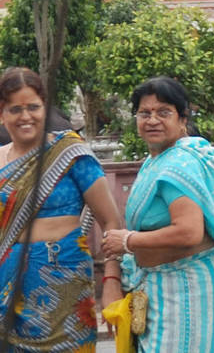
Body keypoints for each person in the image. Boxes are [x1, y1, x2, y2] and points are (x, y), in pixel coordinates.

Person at [101, 76, 214, 352]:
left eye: (163, 112)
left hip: (190, 290)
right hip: (163, 288)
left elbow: (189, 232)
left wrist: (128, 242)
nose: (152, 120)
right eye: (144, 113)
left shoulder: (180, 163)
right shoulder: (157, 160)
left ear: (182, 119)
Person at [0, 67, 123, 351]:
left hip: (63, 282)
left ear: (45, 107)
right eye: (15, 108)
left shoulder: (70, 153)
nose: (25, 116)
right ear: (2, 114)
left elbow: (111, 221)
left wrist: (112, 280)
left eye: (33, 106)